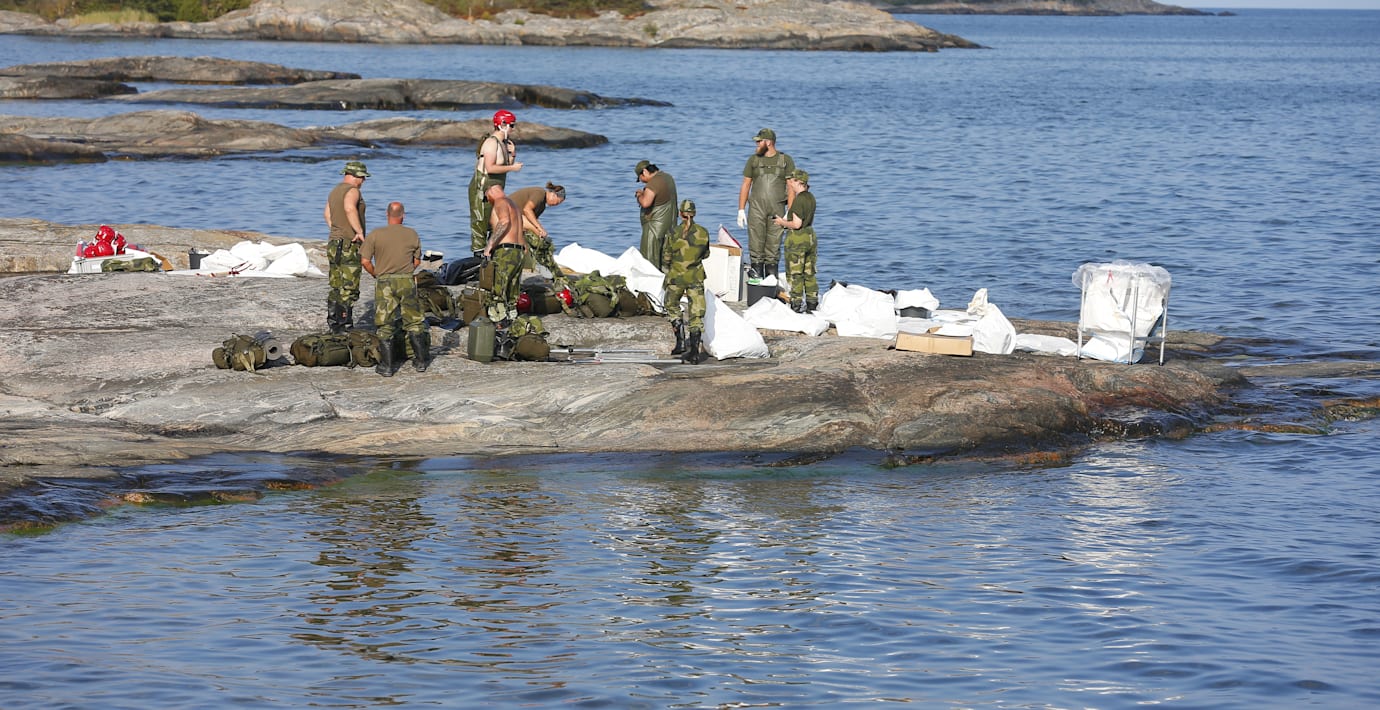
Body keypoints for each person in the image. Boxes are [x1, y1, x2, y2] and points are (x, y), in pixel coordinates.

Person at [361, 201, 428, 376]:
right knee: (414, 321)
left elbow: (365, 261)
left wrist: (376, 274)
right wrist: (406, 272)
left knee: (385, 324)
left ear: (387, 214)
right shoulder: (412, 234)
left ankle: (388, 366)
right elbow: (417, 261)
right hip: (406, 280)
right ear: (403, 216)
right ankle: (421, 362)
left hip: (385, 282)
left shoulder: (375, 234)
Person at [736, 127, 794, 284]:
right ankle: (756, 282)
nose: (756, 144)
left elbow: (791, 187)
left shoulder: (785, 160)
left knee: (773, 248)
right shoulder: (753, 160)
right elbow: (746, 184)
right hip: (756, 209)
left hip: (778, 210)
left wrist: (790, 210)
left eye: (759, 141)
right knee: (756, 246)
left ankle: (771, 282)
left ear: (768, 142)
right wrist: (741, 209)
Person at [468, 110, 523, 256]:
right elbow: (490, 167)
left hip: (496, 186)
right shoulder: (491, 143)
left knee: (494, 220)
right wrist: (513, 167)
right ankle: (478, 253)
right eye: (511, 125)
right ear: (502, 125)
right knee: (480, 221)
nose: (513, 129)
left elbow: (504, 165)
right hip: (483, 186)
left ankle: (491, 250)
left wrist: (512, 154)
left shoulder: (504, 143)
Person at [323, 160, 369, 333]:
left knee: (336, 284)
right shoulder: (352, 190)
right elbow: (350, 208)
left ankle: (334, 324)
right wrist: (359, 231)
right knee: (349, 286)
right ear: (356, 176)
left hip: (334, 242)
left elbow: (327, 214)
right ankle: (345, 325)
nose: (364, 181)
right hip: (349, 244)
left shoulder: (335, 191)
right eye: (363, 177)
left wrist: (336, 230)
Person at [664, 199, 711, 365]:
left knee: (671, 305)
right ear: (694, 213)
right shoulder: (703, 232)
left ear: (680, 214)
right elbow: (706, 254)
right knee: (696, 313)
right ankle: (695, 353)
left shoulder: (673, 232)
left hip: (676, 276)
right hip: (695, 277)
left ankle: (680, 342)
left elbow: (667, 257)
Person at [773, 169, 818, 313]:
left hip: (798, 239)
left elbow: (797, 224)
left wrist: (782, 222)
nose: (790, 183)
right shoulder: (811, 197)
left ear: (799, 182)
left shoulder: (799, 200)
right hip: (810, 236)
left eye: (792, 180)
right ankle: (812, 303)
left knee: (796, 274)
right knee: (809, 272)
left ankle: (796, 304)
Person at [481, 183, 526, 326]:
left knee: (499, 287)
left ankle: (498, 320)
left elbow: (504, 221)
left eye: (486, 197)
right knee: (512, 289)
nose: (488, 201)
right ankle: (512, 318)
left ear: (491, 191)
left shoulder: (500, 202)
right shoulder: (514, 205)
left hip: (506, 251)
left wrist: (490, 245)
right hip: (519, 251)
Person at [508, 182, 568, 286]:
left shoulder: (542, 206)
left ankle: (540, 265)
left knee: (537, 237)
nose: (555, 205)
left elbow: (531, 220)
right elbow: (527, 210)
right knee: (537, 233)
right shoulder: (540, 193)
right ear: (553, 194)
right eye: (557, 202)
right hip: (508, 212)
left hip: (517, 218)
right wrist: (539, 229)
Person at [635, 159, 677, 269]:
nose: (643, 182)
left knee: (649, 264)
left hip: (653, 231)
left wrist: (639, 195)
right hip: (669, 228)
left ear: (644, 172)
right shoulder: (668, 177)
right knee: (665, 262)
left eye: (641, 178)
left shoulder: (654, 183)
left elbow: (645, 202)